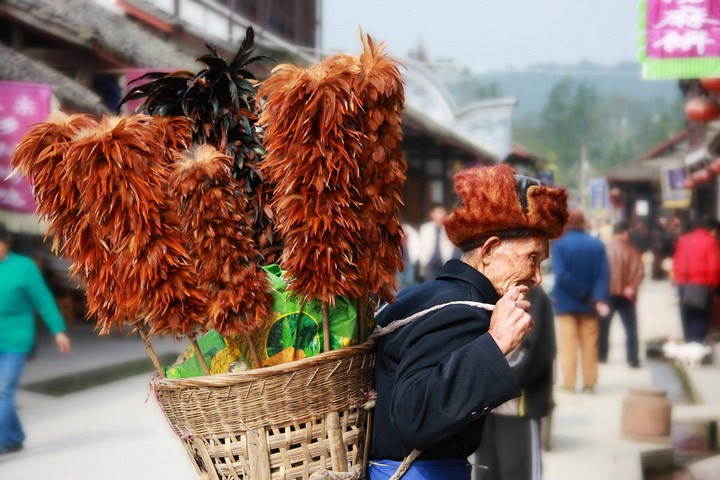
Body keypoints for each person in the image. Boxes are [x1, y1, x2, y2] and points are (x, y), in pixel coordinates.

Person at [369, 165, 568, 479]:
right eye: (533, 258)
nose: (538, 277)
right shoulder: (461, 310)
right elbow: (414, 417)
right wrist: (495, 343)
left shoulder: (421, 295)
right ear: (489, 251)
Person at [471, 286, 556, 480]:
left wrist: (496, 381)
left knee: (518, 472)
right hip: (486, 410)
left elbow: (535, 353)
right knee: (486, 473)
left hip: (517, 409)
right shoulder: (483, 290)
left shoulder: (534, 295)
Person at [0, 224, 71, 454]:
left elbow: (43, 300)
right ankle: (13, 436)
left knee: (3, 390)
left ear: (5, 242)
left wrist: (58, 330)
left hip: (16, 340)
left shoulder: (24, 267)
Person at [550, 208, 610, 394]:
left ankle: (569, 384)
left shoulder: (559, 245)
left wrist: (581, 293)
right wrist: (596, 297)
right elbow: (603, 275)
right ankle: (590, 384)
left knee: (568, 346)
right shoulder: (597, 244)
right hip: (590, 304)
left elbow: (561, 276)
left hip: (565, 303)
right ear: (584, 224)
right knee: (590, 345)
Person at [598, 220, 645, 368]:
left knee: (603, 327)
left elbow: (598, 273)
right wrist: (631, 287)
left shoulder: (603, 250)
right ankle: (633, 359)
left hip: (607, 294)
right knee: (631, 329)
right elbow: (640, 272)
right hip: (627, 295)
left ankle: (602, 356)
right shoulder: (634, 251)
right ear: (625, 233)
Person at [672, 218, 720, 343]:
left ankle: (689, 344)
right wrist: (713, 284)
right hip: (702, 285)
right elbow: (714, 267)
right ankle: (696, 347)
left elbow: (676, 262)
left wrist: (678, 280)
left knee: (687, 316)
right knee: (701, 318)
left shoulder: (684, 240)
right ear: (712, 230)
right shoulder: (711, 241)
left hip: (683, 284)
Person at [417, 203, 456, 282]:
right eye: (437, 212)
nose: (440, 215)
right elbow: (421, 246)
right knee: (429, 289)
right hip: (429, 264)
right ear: (431, 214)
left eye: (442, 212)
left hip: (444, 264)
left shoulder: (449, 228)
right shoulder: (425, 228)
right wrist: (423, 260)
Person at [398, 221, 420, 290]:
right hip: (398, 264)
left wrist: (415, 259)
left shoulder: (412, 235)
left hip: (409, 262)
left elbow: (416, 247)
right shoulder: (396, 236)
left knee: (409, 282)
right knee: (399, 283)